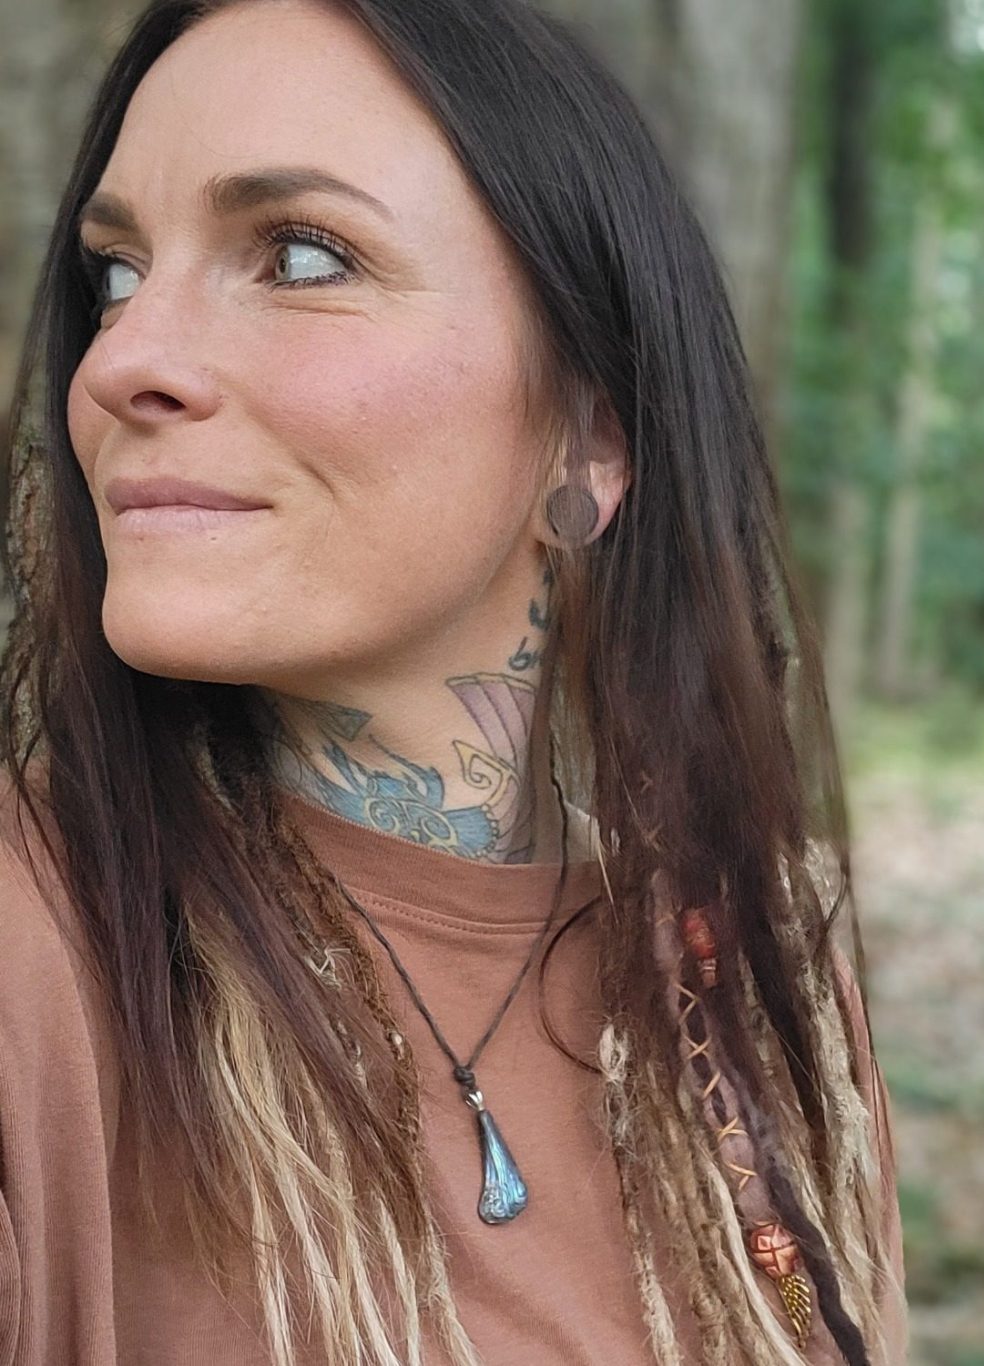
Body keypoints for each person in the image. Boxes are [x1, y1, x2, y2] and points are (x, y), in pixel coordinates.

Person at [0, 0, 910, 1363]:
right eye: (117, 273)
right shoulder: (34, 965)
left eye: (301, 256)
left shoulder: (756, 987)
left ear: (590, 432)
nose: (119, 360)